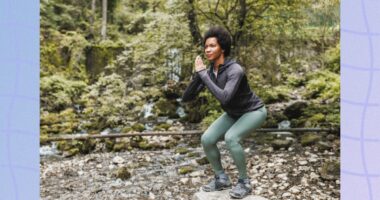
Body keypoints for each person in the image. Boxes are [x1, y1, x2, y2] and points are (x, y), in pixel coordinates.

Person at [182, 26, 267, 199]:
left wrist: (204, 76)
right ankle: (221, 178)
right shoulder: (210, 71)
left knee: (231, 138)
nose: (207, 49)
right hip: (233, 113)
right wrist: (197, 76)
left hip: (254, 111)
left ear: (223, 48)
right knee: (207, 139)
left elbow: (225, 98)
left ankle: (244, 182)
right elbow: (187, 97)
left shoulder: (235, 70)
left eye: (212, 46)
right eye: (206, 46)